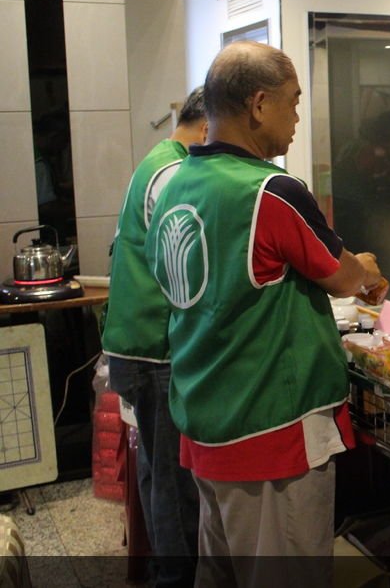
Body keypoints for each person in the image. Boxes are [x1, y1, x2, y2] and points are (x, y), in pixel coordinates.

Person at [144, 41, 383, 587]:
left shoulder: (173, 183)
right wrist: (366, 267)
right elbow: (343, 276)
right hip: (271, 428)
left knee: (222, 572)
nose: (297, 117)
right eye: (293, 102)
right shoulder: (271, 191)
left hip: (205, 418)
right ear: (258, 105)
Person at [103, 86, 207, 588]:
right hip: (154, 349)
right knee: (172, 481)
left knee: (155, 470)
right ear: (211, 126)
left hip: (136, 345)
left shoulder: (159, 158)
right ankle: (176, 577)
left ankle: (162, 569)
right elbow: (184, 272)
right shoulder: (174, 173)